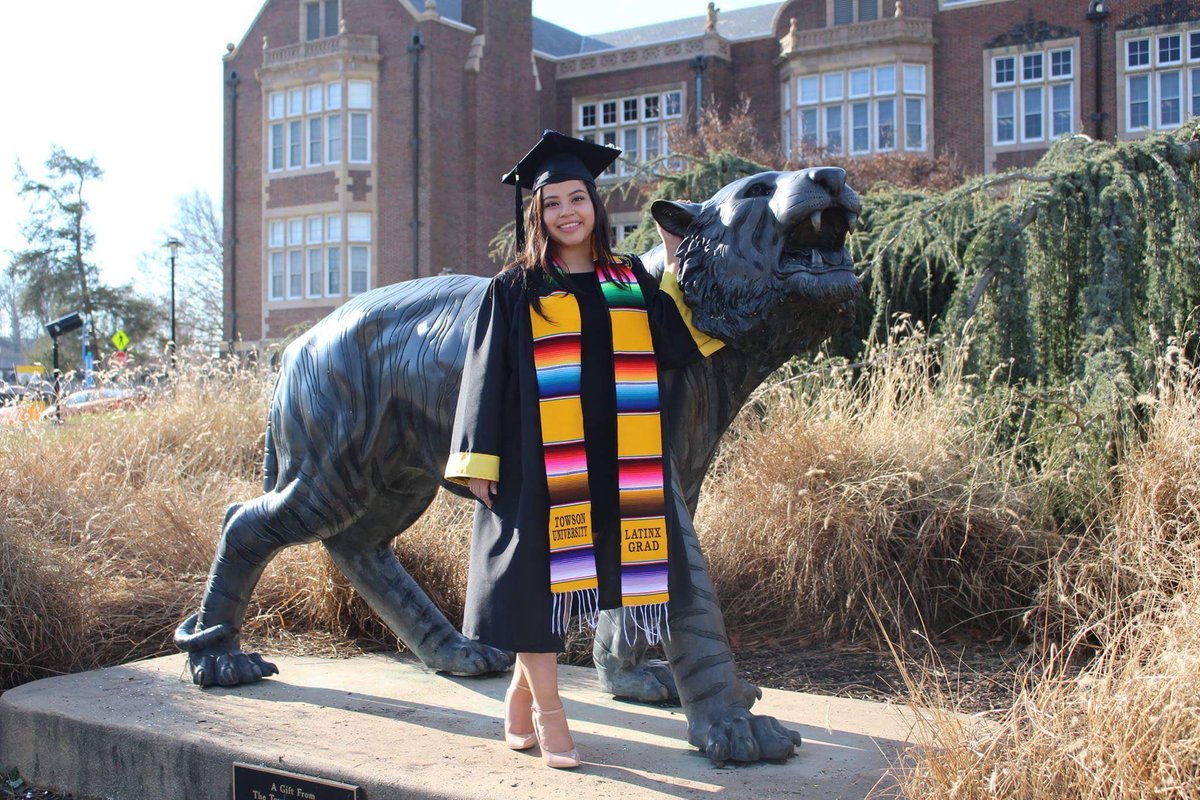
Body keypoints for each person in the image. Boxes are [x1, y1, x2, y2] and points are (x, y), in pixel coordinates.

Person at [444, 130, 722, 769]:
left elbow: (673, 347)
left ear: (594, 204)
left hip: (615, 461)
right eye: (553, 204)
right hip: (537, 460)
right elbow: (487, 377)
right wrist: (479, 461)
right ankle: (551, 712)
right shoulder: (515, 288)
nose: (568, 211)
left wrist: (677, 267)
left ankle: (520, 694)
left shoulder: (626, 278)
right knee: (536, 587)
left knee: (587, 582)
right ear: (536, 215)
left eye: (578, 198)